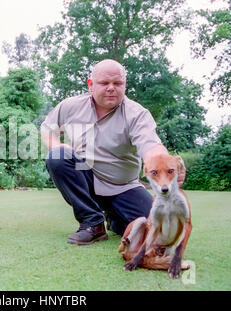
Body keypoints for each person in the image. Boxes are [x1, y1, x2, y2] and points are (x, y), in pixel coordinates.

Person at [40, 59, 185, 245]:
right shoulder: (71, 105)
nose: (111, 88)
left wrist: (166, 163)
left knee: (160, 226)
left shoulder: (137, 114)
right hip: (86, 180)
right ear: (90, 85)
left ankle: (115, 219)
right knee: (57, 157)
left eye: (117, 83)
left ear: (124, 85)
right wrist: (56, 145)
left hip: (123, 187)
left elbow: (151, 146)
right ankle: (92, 223)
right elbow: (47, 128)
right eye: (104, 83)